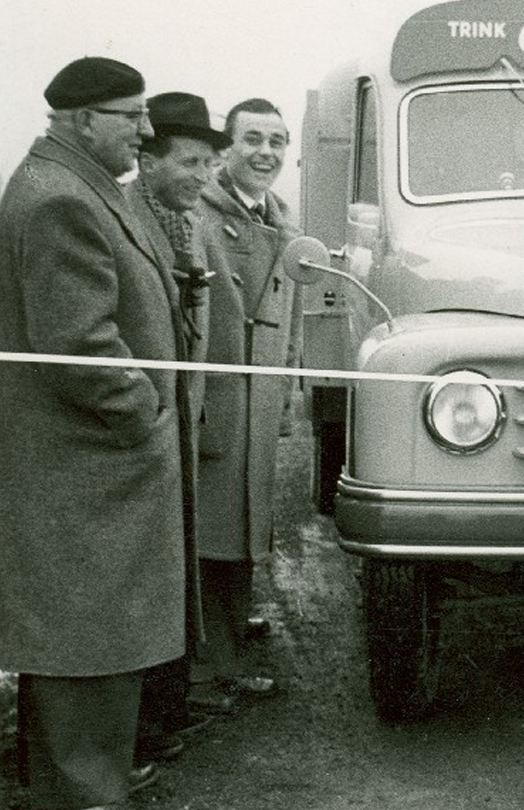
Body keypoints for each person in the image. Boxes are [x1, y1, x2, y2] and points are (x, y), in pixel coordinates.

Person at [0, 56, 198, 808]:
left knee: (91, 648)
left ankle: (82, 786)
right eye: (133, 116)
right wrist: (143, 412)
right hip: (89, 474)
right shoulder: (59, 197)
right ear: (85, 121)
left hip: (93, 473)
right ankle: (86, 794)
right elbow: (77, 344)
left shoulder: (75, 185)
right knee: (87, 649)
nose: (146, 131)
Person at [126, 90, 233, 759]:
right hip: (145, 422)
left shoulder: (187, 222)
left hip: (179, 419)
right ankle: (141, 723)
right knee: (145, 570)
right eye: (190, 162)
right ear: (149, 160)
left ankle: (165, 708)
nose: (203, 175)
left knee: (174, 562)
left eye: (208, 163)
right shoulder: (130, 217)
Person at [191, 98, 299, 704]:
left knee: (242, 531)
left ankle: (228, 639)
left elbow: (289, 320)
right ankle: (210, 672)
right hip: (219, 405)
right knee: (213, 537)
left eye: (277, 142)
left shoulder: (278, 217)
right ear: (226, 149)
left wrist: (284, 400)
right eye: (253, 139)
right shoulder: (202, 216)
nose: (266, 152)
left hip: (256, 403)